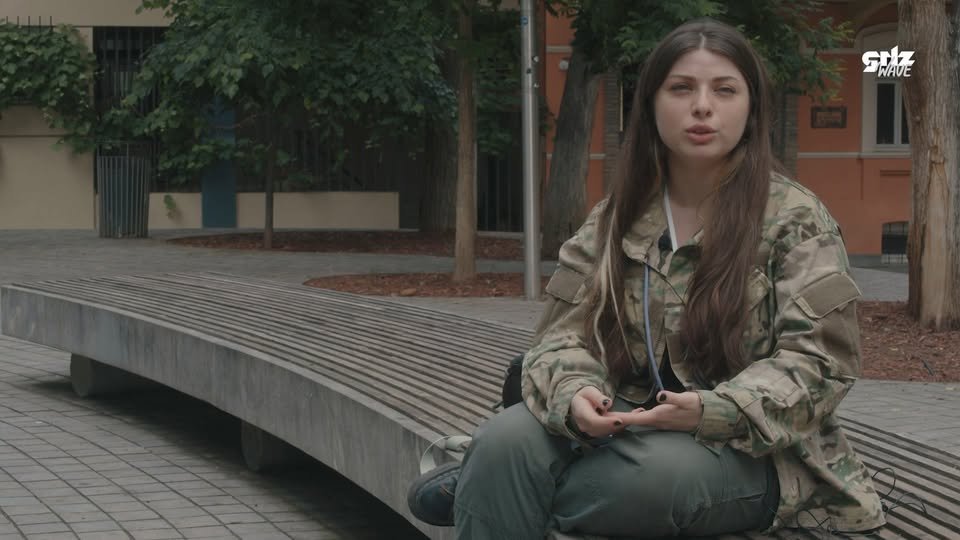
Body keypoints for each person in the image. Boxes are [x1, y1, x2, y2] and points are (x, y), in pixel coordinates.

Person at [407, 18, 886, 539]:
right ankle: (491, 477)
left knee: (639, 483)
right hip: (625, 416)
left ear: (752, 109)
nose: (702, 106)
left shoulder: (796, 220)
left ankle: (484, 486)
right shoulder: (617, 218)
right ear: (651, 105)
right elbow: (561, 337)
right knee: (503, 443)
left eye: (725, 90)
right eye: (681, 88)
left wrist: (712, 410)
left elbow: (821, 362)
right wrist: (575, 392)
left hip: (752, 448)